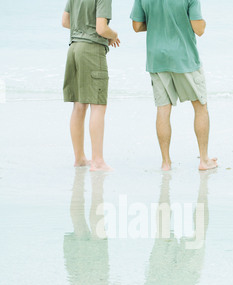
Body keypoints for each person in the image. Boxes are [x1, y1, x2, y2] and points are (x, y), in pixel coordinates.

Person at [130, 0, 218, 172]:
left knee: (163, 110)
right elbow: (199, 29)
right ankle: (204, 160)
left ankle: (166, 163)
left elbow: (136, 25)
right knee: (200, 107)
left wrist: (159, 21)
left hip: (156, 57)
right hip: (184, 58)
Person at [62, 0, 120, 171]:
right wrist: (114, 35)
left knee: (79, 105)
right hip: (91, 51)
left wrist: (82, 30)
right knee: (98, 106)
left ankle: (80, 158)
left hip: (74, 48)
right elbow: (101, 28)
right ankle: (97, 161)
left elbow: (65, 21)